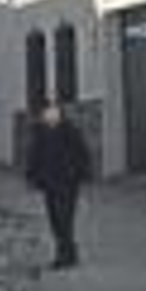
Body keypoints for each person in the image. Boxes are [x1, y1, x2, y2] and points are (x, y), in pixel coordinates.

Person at [25, 102, 91, 269]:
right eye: (47, 113)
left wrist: (80, 174)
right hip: (49, 184)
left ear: (60, 114)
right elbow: (34, 157)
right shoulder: (40, 133)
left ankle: (64, 255)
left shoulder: (70, 131)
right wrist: (31, 177)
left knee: (64, 219)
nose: (50, 116)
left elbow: (82, 154)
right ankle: (69, 252)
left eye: (53, 113)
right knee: (54, 220)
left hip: (67, 184)